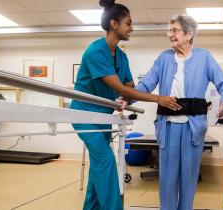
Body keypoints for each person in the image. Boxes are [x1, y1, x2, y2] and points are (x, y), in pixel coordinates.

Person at [70, 1, 181, 209]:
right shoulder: (95, 51)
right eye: (128, 23)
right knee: (107, 162)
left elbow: (129, 85)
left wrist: (125, 93)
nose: (132, 28)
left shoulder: (121, 55)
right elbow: (122, 88)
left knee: (98, 167)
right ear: (114, 24)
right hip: (84, 114)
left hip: (103, 115)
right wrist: (158, 98)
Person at [131, 14, 223, 210]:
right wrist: (128, 98)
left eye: (175, 30)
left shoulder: (204, 57)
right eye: (170, 30)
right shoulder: (164, 58)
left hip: (192, 128)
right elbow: (146, 83)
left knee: (189, 177)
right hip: (167, 126)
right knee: (167, 179)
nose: (170, 34)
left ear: (189, 34)